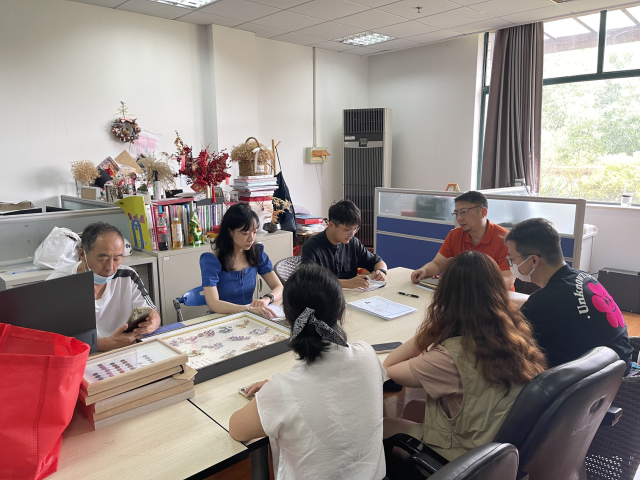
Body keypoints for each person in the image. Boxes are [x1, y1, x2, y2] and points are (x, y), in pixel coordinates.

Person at [383, 251, 546, 461]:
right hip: (503, 444)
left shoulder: (450, 357)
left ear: (445, 296)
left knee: (385, 426)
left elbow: (389, 367)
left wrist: (431, 331)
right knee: (414, 407)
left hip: (468, 459)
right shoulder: (515, 333)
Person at [229, 263, 386, 480]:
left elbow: (236, 428)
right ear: (340, 313)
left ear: (287, 320)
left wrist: (272, 394)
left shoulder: (282, 391)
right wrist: (278, 393)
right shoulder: (367, 354)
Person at [505, 218, 632, 374]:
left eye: (512, 259)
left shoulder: (543, 302)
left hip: (595, 383)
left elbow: (510, 347)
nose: (510, 264)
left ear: (533, 260)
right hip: (620, 367)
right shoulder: (585, 277)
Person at [47, 222, 160, 351]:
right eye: (102, 259)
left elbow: (153, 313)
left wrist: (152, 323)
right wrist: (105, 344)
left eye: (117, 258)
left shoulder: (128, 276)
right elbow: (51, 342)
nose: (110, 268)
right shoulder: (58, 284)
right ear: (82, 255)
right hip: (82, 356)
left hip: (126, 350)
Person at [411, 191, 515, 290]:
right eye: (456, 213)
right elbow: (437, 264)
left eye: (464, 212)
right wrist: (424, 270)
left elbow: (507, 281)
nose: (459, 218)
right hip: (462, 295)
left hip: (494, 297)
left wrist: (469, 284)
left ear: (483, 212)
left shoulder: (505, 239)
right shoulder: (455, 235)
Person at [200, 203, 283, 319]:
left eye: (254, 232)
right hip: (222, 319)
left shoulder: (257, 254)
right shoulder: (212, 261)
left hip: (248, 317)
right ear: (230, 232)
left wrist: (267, 299)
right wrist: (248, 309)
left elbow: (279, 287)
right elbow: (213, 304)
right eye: (245, 233)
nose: (251, 238)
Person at [301, 200, 388, 290]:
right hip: (324, 296)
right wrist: (347, 283)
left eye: (355, 229)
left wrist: (381, 271)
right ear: (331, 225)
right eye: (347, 230)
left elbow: (376, 261)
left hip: (351, 295)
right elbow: (310, 280)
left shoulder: (353, 243)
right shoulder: (311, 247)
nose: (352, 234)